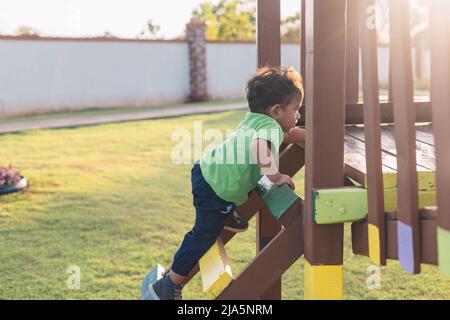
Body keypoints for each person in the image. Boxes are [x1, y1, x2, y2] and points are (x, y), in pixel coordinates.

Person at [147, 66, 306, 300]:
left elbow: (289, 134)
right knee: (203, 236)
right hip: (214, 187)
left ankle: (226, 214)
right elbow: (259, 148)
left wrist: (315, 134)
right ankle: (168, 286)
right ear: (276, 111)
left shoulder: (257, 121)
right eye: (296, 110)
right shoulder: (270, 128)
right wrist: (275, 176)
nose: (298, 116)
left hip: (209, 174)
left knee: (205, 229)